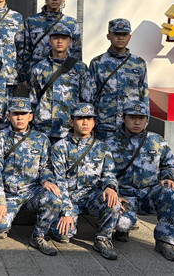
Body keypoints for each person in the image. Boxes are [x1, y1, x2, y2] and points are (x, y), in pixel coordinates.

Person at [0, 97, 62, 254]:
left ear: (30, 116)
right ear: (8, 116)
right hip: (8, 193)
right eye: (15, 114)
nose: (19, 117)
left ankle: (38, 236)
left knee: (54, 198)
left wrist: (46, 180)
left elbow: (45, 167)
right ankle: (2, 224)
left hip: (31, 192)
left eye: (23, 114)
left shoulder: (41, 139)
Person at [106, 101, 174, 262]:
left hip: (149, 194)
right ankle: (123, 228)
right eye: (132, 117)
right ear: (123, 118)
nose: (137, 122)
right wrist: (112, 190)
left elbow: (169, 166)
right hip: (124, 196)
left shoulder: (157, 141)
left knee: (172, 194)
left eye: (141, 118)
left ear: (147, 119)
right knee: (122, 223)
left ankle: (165, 241)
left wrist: (169, 178)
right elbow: (104, 172)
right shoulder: (110, 143)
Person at [49, 103, 121, 260]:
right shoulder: (59, 148)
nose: (85, 122)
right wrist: (66, 212)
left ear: (94, 122)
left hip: (91, 196)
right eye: (80, 118)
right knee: (62, 234)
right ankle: (62, 221)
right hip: (68, 197)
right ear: (71, 122)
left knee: (113, 202)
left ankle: (103, 240)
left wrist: (110, 187)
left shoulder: (102, 148)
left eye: (89, 118)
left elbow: (109, 173)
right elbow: (60, 182)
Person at [29, 23, 93, 142]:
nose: (59, 41)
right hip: (43, 129)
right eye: (55, 38)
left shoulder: (80, 68)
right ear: (49, 41)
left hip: (69, 130)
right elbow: (33, 99)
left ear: (70, 42)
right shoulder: (38, 68)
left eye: (64, 38)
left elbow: (87, 100)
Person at [89, 19, 149, 140]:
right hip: (104, 126)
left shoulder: (138, 63)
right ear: (109, 36)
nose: (120, 38)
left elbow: (144, 94)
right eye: (116, 34)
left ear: (129, 37)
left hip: (131, 127)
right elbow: (90, 96)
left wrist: (144, 122)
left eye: (124, 34)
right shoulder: (97, 63)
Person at [24, 0, 82, 84]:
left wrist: (77, 75)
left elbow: (76, 52)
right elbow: (25, 51)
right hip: (37, 76)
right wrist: (24, 77)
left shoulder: (71, 23)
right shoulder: (31, 21)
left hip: (64, 77)